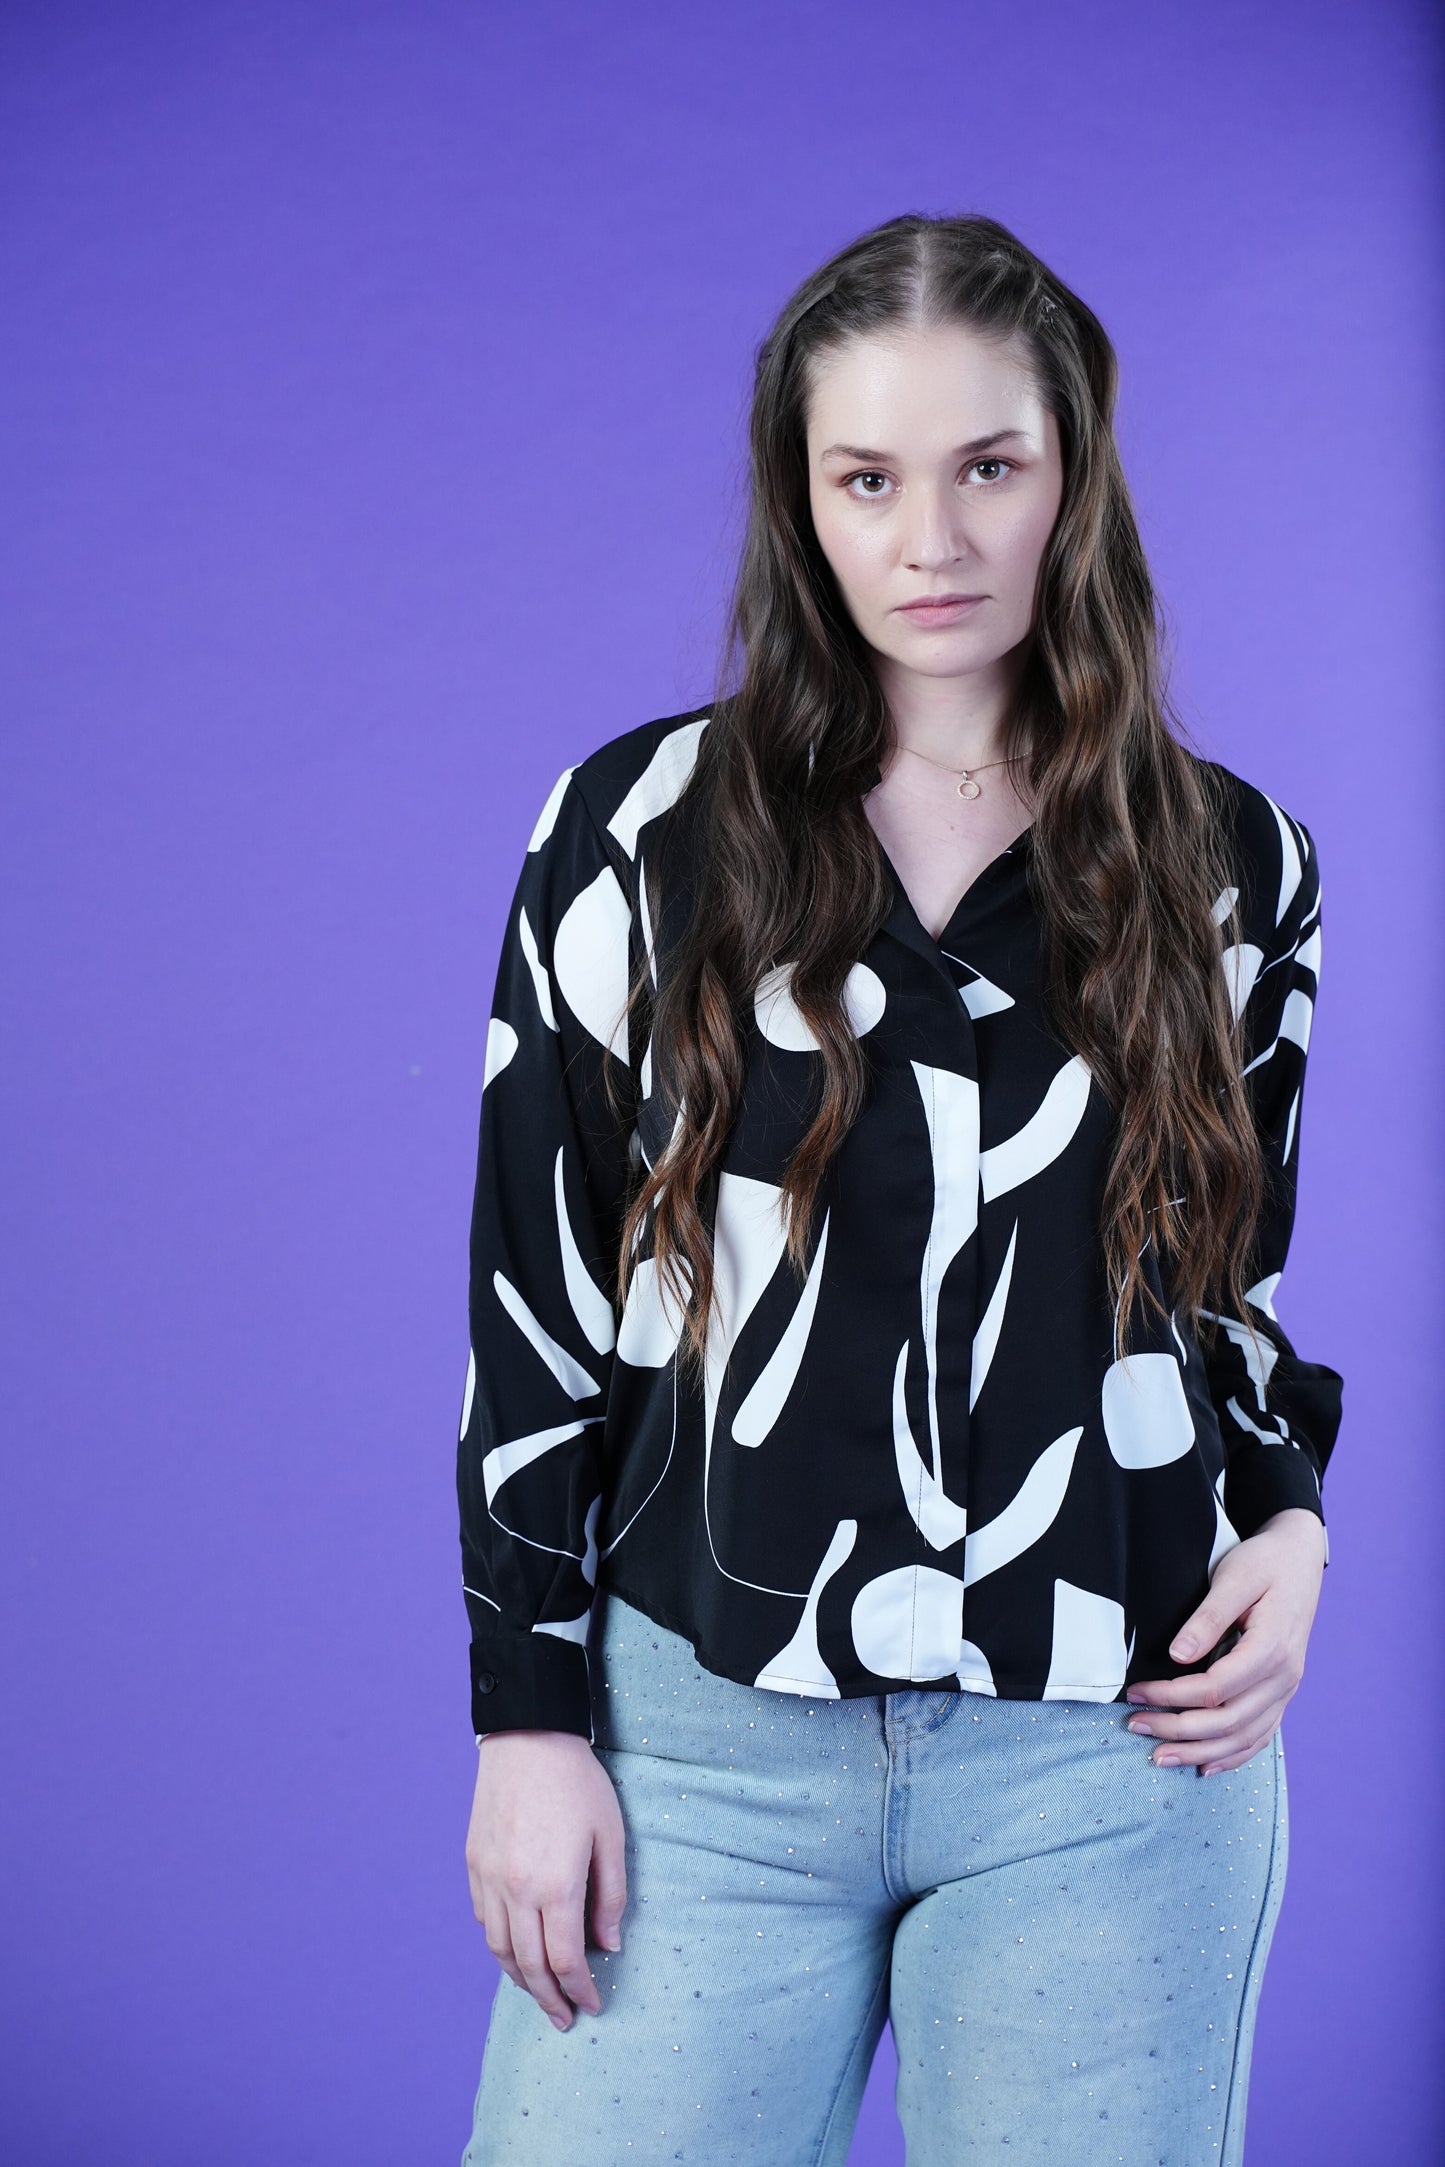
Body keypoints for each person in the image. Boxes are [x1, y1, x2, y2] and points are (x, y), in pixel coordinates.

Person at [454, 211, 1343, 2166]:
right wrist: (527, 1721)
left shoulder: (1235, 870)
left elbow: (1219, 1290)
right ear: (803, 498)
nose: (930, 539)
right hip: (703, 1743)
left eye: (987, 468)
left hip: (1111, 1757)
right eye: (868, 478)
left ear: (1072, 476)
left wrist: (1292, 1518)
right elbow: (534, 1300)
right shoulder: (633, 835)